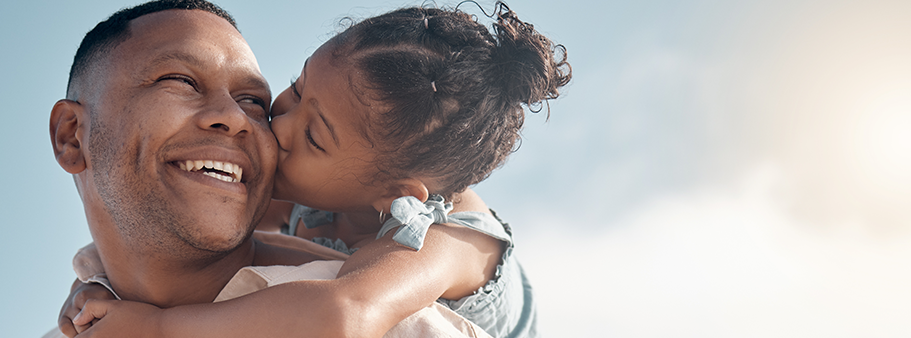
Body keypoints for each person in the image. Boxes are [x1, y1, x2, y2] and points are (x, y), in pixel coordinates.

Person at [64, 2, 570, 337]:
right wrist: (104, 286)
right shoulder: (317, 184)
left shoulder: (445, 240)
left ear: (395, 192)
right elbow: (190, 244)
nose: (277, 126)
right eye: (297, 89)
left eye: (313, 136)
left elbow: (343, 314)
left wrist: (157, 327)